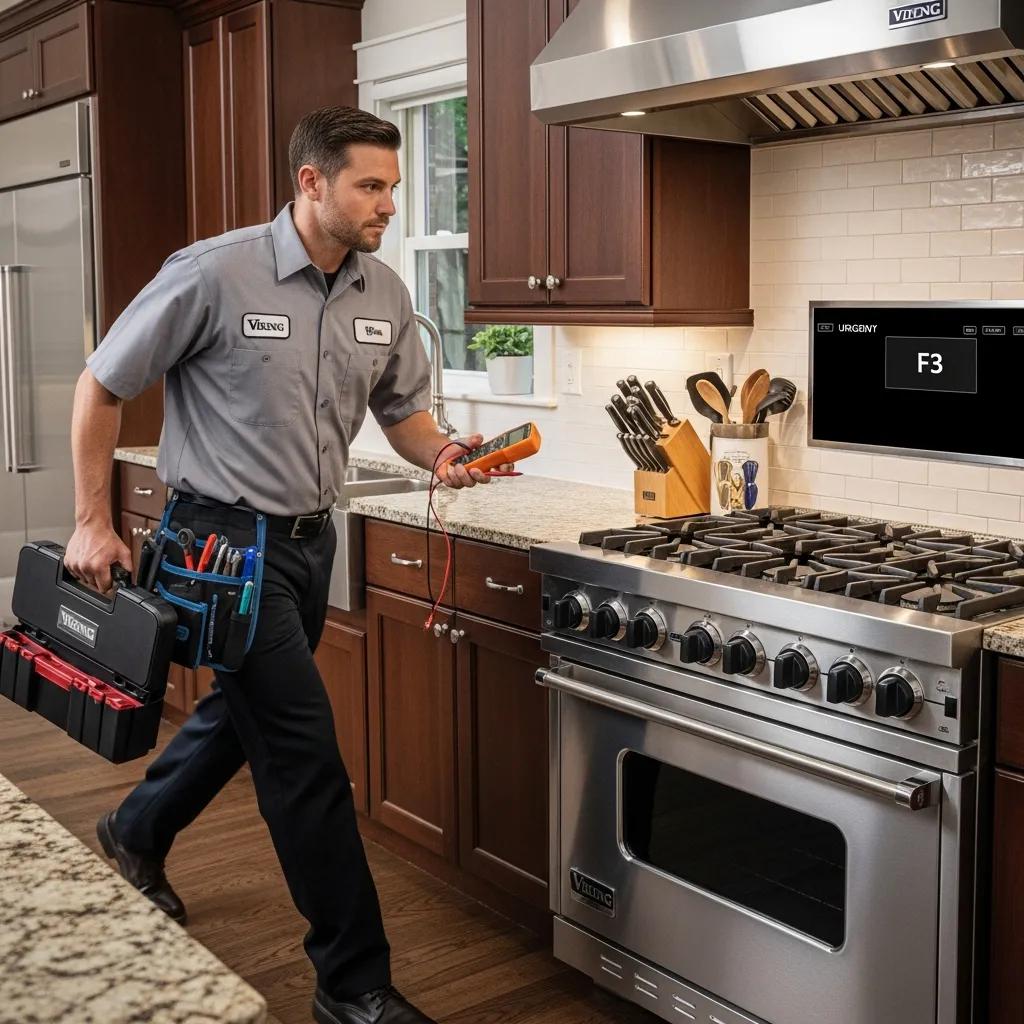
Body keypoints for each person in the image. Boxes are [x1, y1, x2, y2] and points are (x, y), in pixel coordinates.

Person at [65, 105, 498, 1024]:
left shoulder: (383, 295)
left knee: (244, 712)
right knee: (304, 755)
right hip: (218, 545)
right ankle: (354, 984)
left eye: (392, 186)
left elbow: (403, 413)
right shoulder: (214, 272)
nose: (388, 205)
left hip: (309, 543)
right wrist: (92, 521)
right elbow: (101, 381)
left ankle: (133, 829)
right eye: (369, 186)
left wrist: (446, 454)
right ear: (311, 183)